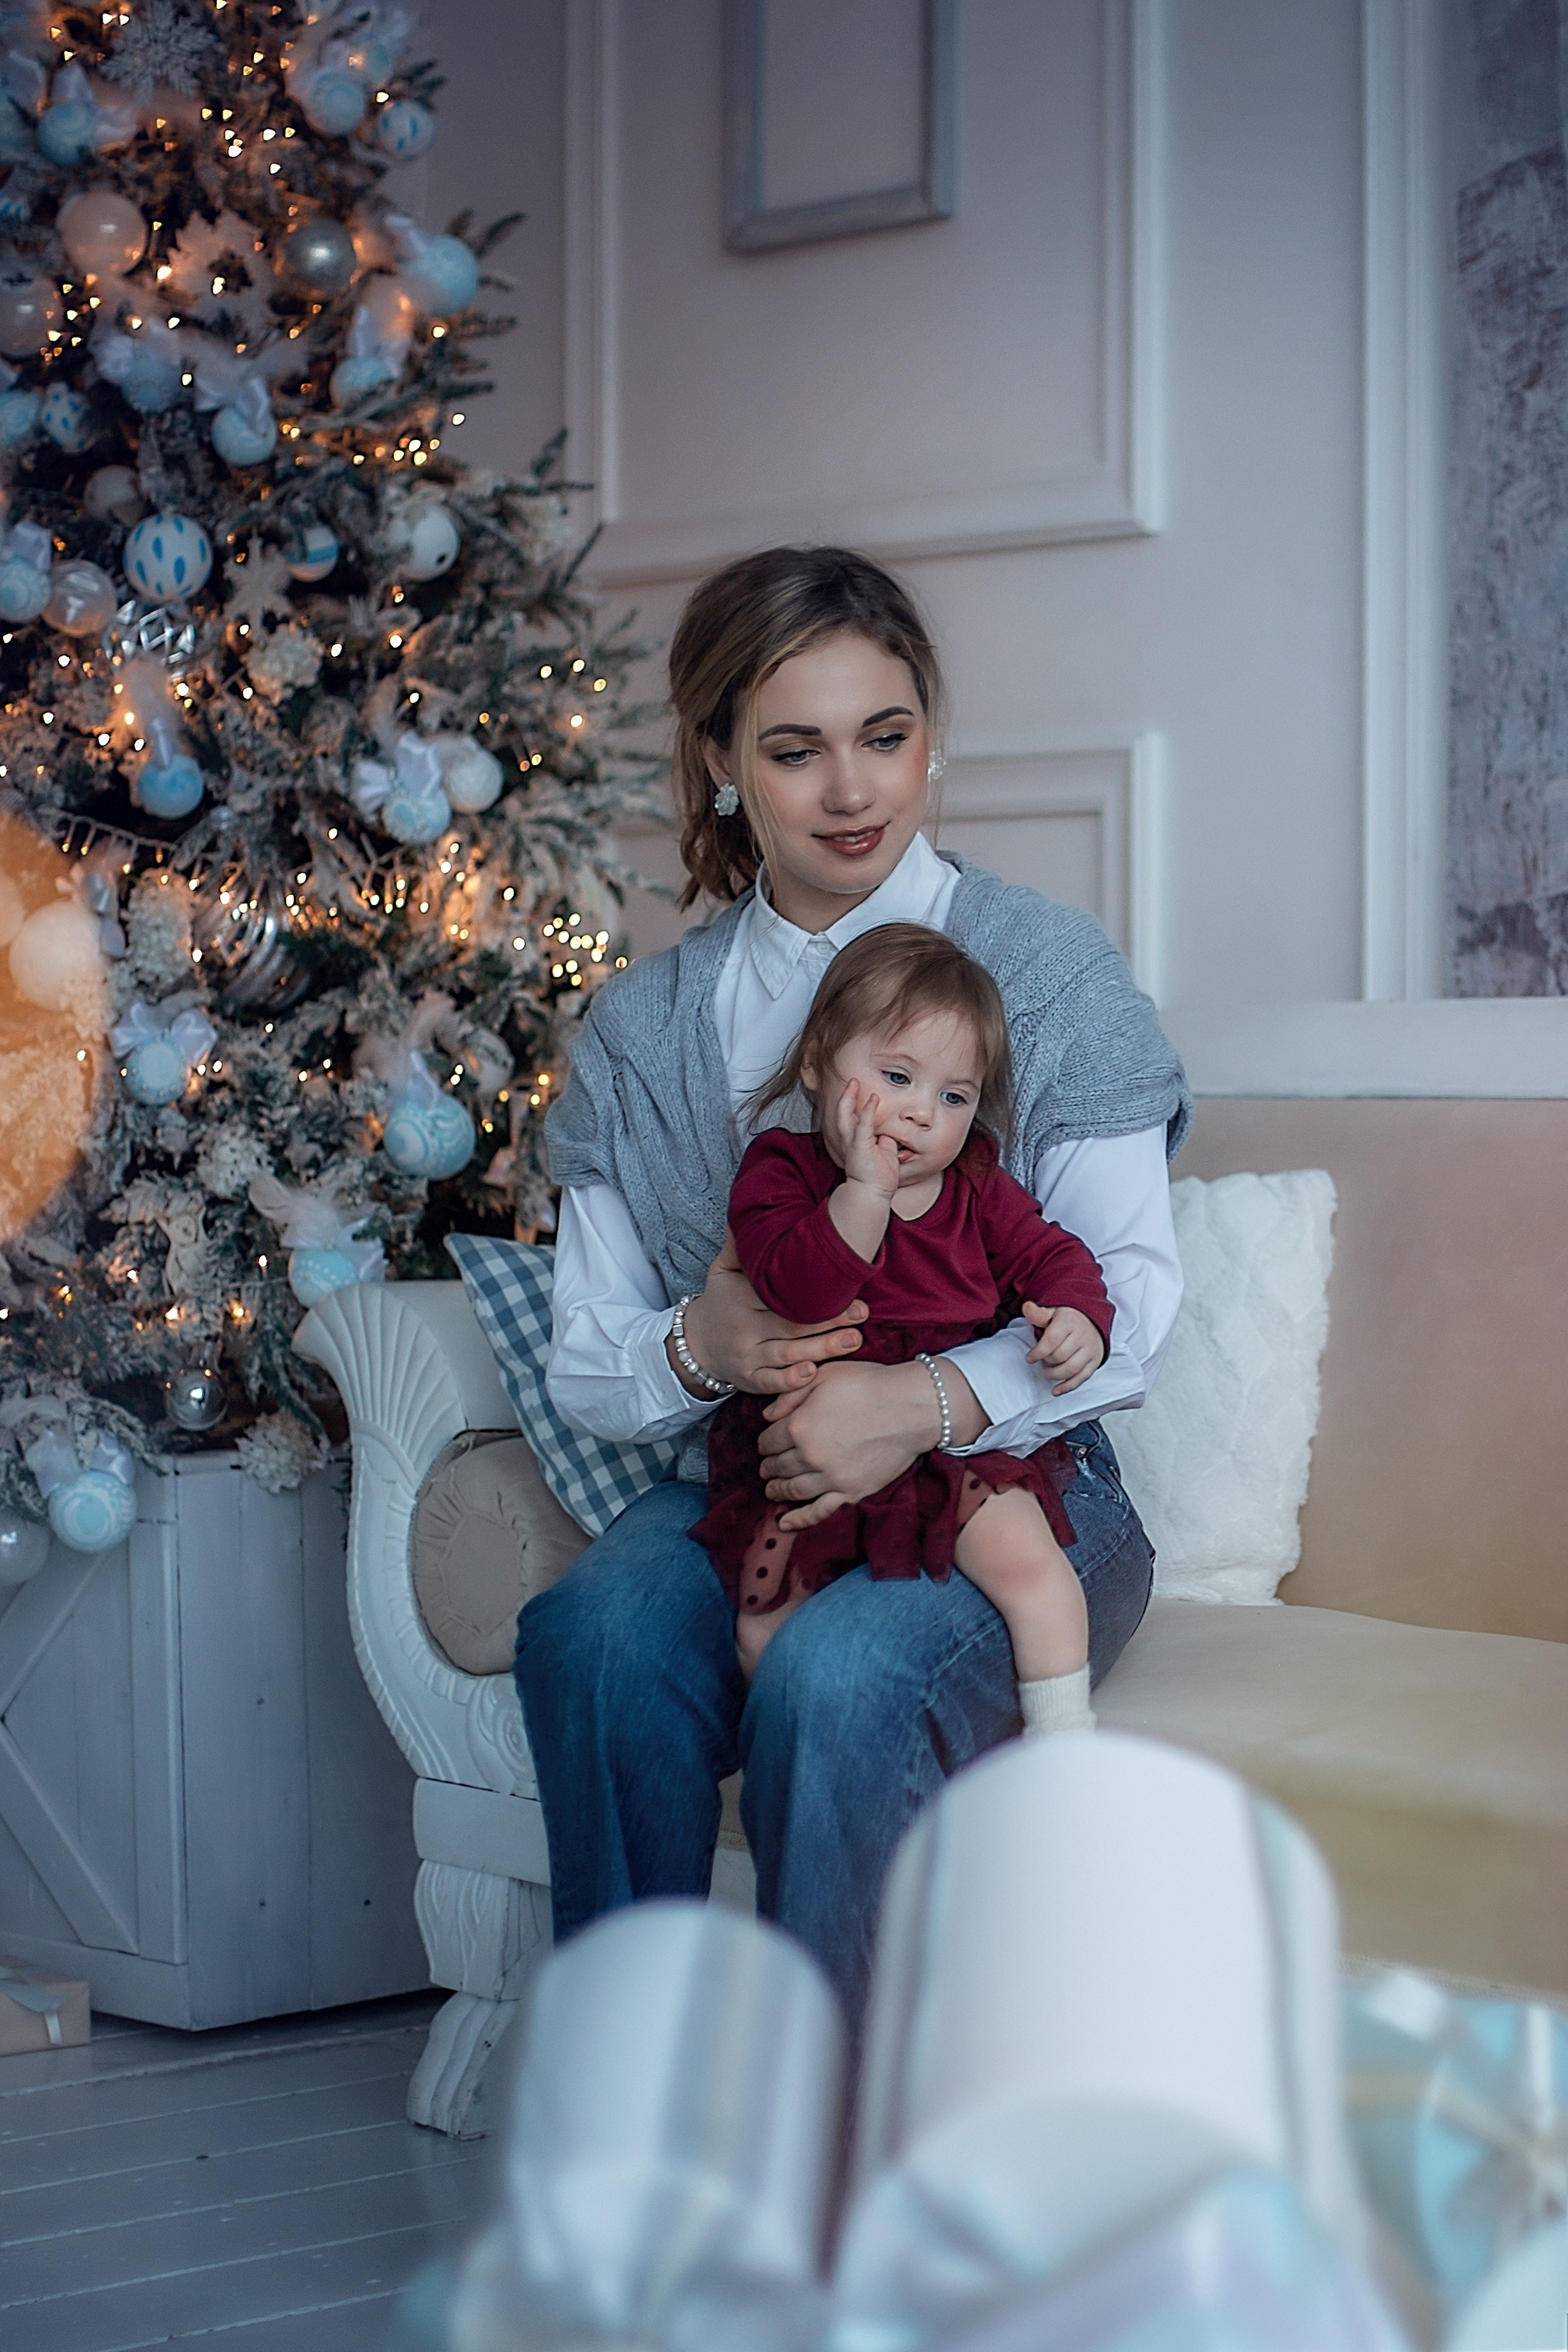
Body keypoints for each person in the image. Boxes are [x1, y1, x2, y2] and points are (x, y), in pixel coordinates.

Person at [516, 544, 1189, 2032]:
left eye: (882, 736)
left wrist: (926, 1397)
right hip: (765, 1480)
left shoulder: (1047, 973)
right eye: (793, 748)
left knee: (832, 1676)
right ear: (718, 763)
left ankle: (832, 2178)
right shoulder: (643, 1032)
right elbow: (590, 1354)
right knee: (593, 1635)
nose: (849, 792)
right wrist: (706, 1343)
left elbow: (1126, 1299)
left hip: (1027, 1488)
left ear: (929, 735)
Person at [692, 923, 1114, 1746]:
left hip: (948, 1450)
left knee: (1033, 1567)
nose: (922, 1112)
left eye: (954, 1097)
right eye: (896, 1077)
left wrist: (1078, 1317)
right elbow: (801, 1287)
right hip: (804, 1456)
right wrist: (862, 1191)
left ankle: (1065, 1752)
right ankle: (794, 1764)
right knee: (761, 1623)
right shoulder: (781, 1170)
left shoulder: (976, 1187)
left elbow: (1052, 1252)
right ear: (817, 1061)